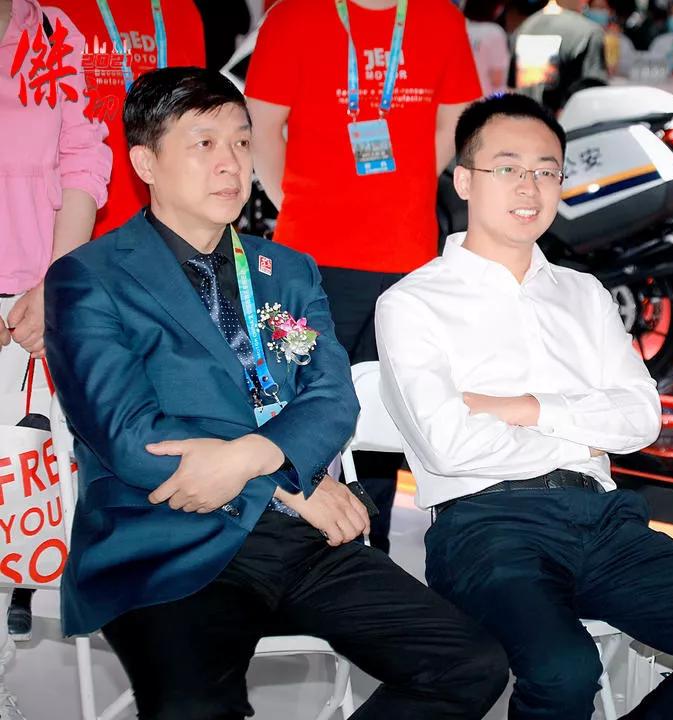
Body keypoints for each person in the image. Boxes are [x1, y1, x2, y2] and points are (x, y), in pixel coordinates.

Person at [43, 67, 508, 720]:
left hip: (300, 540)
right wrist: (291, 483)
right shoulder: (89, 277)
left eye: (241, 142)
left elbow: (332, 398)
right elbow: (128, 436)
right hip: (168, 539)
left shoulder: (285, 269)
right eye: (204, 144)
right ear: (145, 162)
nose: (230, 162)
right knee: (194, 708)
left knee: (469, 666)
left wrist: (260, 464)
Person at [377, 93, 673, 720]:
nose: (529, 187)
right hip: (486, 526)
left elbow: (640, 420)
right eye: (507, 168)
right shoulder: (412, 303)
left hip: (605, 521)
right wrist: (583, 425)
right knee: (565, 670)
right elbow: (449, 447)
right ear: (464, 180)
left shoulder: (584, 293)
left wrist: (524, 408)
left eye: (546, 171)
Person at [245, 0, 482, 554]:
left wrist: (405, 185)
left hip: (406, 258)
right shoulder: (293, 17)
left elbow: (456, 122)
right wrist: (297, 202)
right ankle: (290, 541)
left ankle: (368, 546)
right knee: (297, 399)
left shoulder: (439, 19)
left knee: (385, 410)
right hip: (307, 263)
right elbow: (261, 129)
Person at [0, 0, 110, 716]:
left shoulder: (50, 30)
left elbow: (84, 159)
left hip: (29, 302)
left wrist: (55, 283)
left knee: (14, 495)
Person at [52, 0, 205, 239]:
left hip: (173, 236)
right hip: (83, 234)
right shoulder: (51, 10)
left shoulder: (183, 11)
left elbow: (198, 127)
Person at [509, 0, 608, 111]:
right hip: (568, 119)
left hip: (525, 116)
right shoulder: (589, 32)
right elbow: (593, 93)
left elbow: (511, 86)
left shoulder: (523, 28)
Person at [463, 0, 511, 96]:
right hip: (487, 97)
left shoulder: (460, 27)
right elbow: (497, 78)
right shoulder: (494, 32)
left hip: (461, 96)